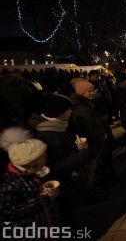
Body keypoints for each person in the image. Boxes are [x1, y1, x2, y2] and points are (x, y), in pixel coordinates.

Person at [27, 93, 90, 224]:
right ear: (57, 112)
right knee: (66, 214)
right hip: (62, 182)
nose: (71, 111)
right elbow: (58, 163)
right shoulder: (50, 133)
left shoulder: (58, 126)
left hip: (67, 181)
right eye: (68, 109)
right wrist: (83, 152)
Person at [0, 127, 60, 233]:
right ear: (32, 161)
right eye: (42, 154)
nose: (46, 155)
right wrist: (43, 198)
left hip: (48, 226)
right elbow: (9, 213)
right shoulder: (10, 184)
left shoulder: (35, 172)